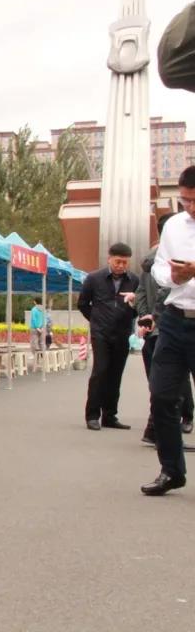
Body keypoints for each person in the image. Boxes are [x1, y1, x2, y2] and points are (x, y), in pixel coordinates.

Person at [142, 166, 195, 495]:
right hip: (175, 320)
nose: (190, 207)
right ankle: (171, 470)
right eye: (186, 200)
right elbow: (158, 267)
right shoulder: (174, 226)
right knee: (161, 396)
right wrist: (172, 277)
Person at [137, 213, 195, 447]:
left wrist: (147, 317)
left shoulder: (152, 261)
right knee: (170, 387)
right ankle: (172, 428)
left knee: (165, 387)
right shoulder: (167, 260)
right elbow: (161, 291)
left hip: (160, 324)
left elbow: (143, 293)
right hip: (168, 323)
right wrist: (153, 316)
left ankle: (163, 429)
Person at [78, 242, 138, 431]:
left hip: (122, 333)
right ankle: (92, 415)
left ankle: (110, 415)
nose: (121, 265)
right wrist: (96, 320)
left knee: (115, 374)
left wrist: (132, 310)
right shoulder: (94, 278)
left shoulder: (134, 280)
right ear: (109, 259)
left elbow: (139, 305)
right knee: (100, 371)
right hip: (101, 333)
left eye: (125, 262)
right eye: (118, 261)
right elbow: (82, 304)